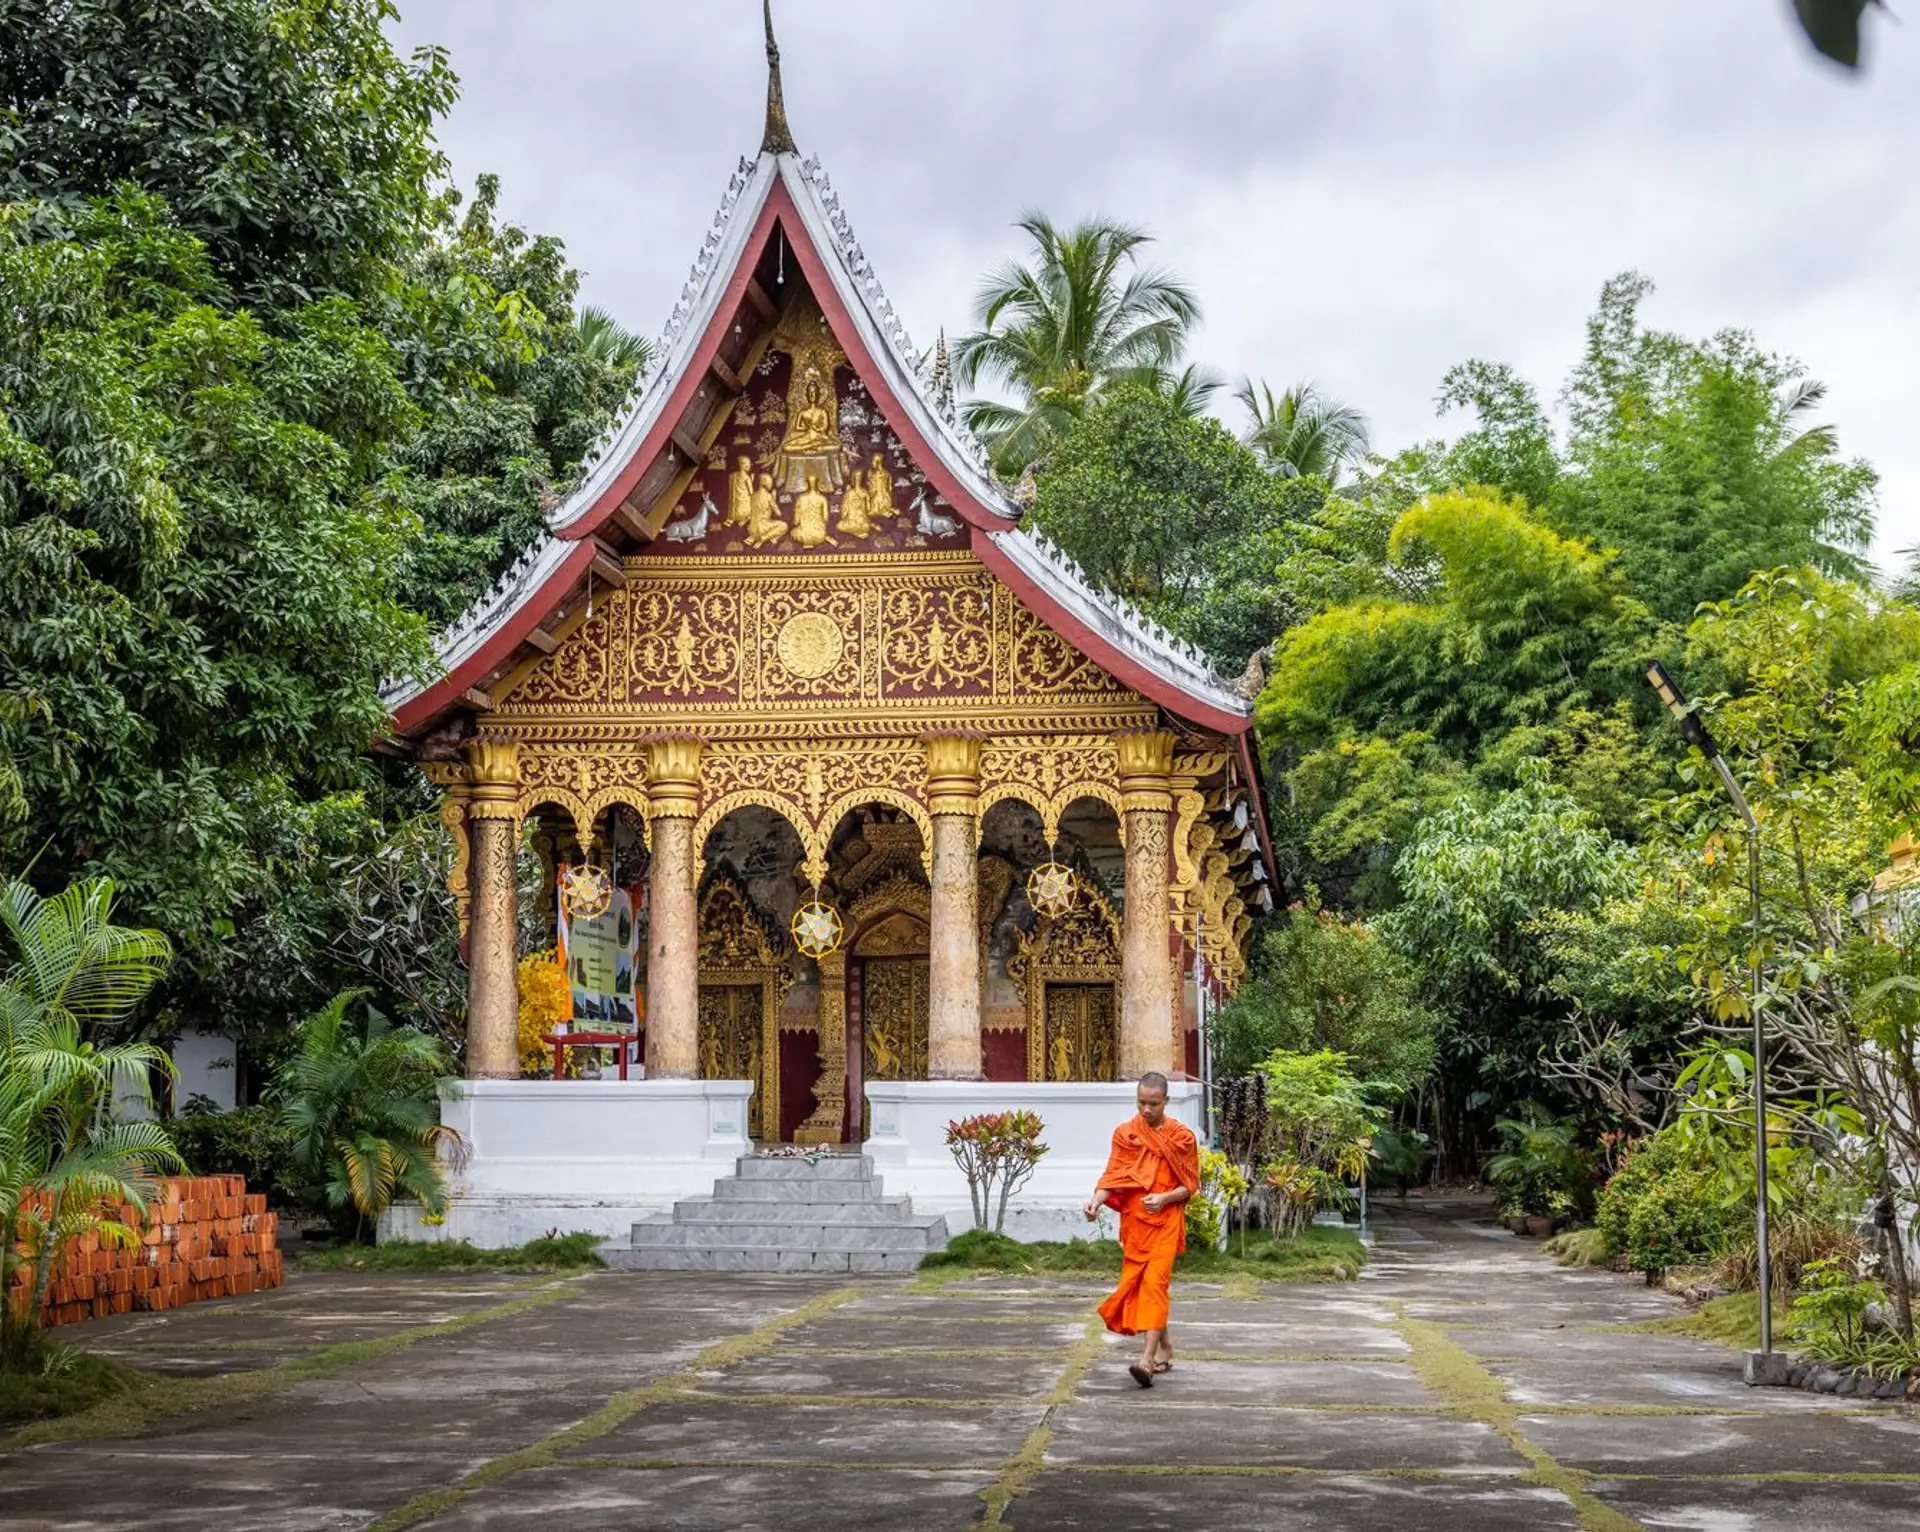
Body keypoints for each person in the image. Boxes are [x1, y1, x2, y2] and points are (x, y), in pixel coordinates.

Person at [1086, 1071, 1200, 1388]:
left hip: (1166, 1222)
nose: (1146, 1110)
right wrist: (1095, 1201)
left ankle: (1146, 1361)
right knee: (1138, 1287)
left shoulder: (1182, 1138)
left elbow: (1189, 1186)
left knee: (1154, 1287)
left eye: (1153, 1104)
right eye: (1141, 1103)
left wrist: (1164, 1198)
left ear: (1166, 1101)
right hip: (1136, 1225)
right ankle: (1165, 1348)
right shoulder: (1126, 1134)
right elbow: (1113, 1175)